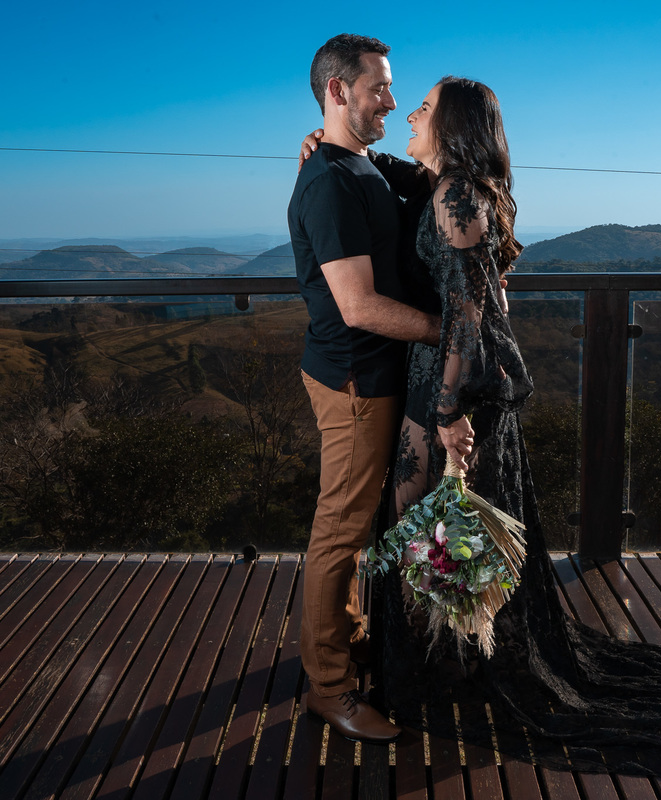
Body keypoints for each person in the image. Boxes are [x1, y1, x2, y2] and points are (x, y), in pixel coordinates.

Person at [303, 76, 661, 776]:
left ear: (452, 125)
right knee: (431, 532)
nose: (408, 113)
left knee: (438, 529)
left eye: (422, 107)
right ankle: (434, 665)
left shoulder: (457, 196)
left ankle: (444, 672)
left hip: (447, 384)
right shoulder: (445, 182)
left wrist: (450, 412)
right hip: (437, 375)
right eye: (399, 97)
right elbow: (403, 181)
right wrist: (326, 146)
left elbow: (466, 315)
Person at [287, 34, 444, 745]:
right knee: (342, 534)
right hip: (356, 379)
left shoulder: (358, 165)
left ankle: (346, 652)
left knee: (355, 532)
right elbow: (358, 306)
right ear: (336, 90)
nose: (391, 100)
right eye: (378, 87)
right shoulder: (331, 180)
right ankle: (329, 689)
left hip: (371, 375)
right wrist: (451, 332)